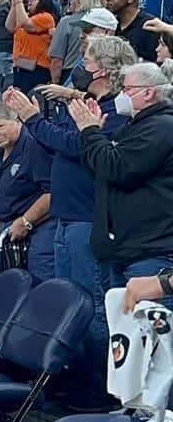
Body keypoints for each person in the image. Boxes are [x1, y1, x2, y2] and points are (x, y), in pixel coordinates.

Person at [3, 33, 134, 366]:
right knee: (69, 303)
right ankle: (74, 377)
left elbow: (76, 146)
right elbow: (54, 143)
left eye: (88, 61)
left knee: (92, 304)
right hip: (66, 216)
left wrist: (32, 117)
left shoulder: (115, 111)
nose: (82, 66)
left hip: (88, 219)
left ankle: (101, 384)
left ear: (104, 69)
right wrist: (36, 120)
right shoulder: (86, 104)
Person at [71, 61, 173, 295]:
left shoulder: (162, 127)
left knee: (146, 327)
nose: (121, 95)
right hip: (123, 248)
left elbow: (118, 169)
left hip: (150, 251)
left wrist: (90, 131)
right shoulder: (132, 127)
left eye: (126, 89)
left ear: (148, 92)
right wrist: (90, 134)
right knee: (120, 326)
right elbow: (99, 170)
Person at [0, 102, 54, 277]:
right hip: (9, 230)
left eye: (0, 126)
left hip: (40, 229)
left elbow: (51, 193)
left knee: (40, 284)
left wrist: (26, 221)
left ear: (18, 121)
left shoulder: (34, 146)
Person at [7, 0, 57, 93]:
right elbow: (9, 26)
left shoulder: (46, 17)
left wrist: (19, 0)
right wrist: (14, 3)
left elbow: (26, 24)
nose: (30, 0)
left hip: (37, 68)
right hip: (20, 66)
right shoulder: (26, 16)